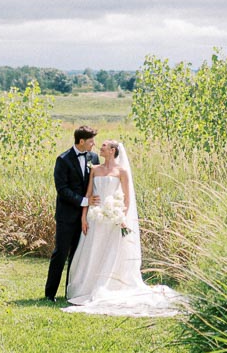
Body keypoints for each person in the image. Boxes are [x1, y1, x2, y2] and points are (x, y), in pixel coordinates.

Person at [64, 139, 185, 317]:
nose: (101, 147)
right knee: (93, 251)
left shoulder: (122, 172)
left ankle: (108, 284)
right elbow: (88, 194)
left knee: (111, 253)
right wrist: (84, 217)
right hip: (96, 218)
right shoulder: (95, 169)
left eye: (105, 145)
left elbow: (127, 199)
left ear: (113, 150)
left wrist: (121, 216)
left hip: (113, 218)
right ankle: (87, 285)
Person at [44, 125, 97, 302]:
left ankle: (71, 292)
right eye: (91, 141)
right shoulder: (63, 159)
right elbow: (62, 189)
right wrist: (83, 201)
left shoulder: (93, 158)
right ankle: (50, 294)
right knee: (60, 253)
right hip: (66, 216)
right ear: (81, 141)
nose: (94, 144)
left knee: (77, 256)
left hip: (86, 217)